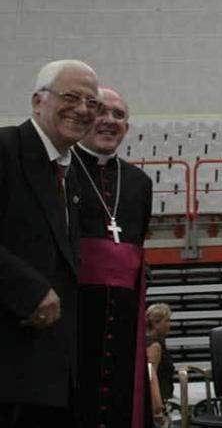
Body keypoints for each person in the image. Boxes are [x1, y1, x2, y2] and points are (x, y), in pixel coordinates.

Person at [0, 59, 100, 427]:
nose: (83, 109)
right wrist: (29, 290)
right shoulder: (6, 149)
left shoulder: (70, 172)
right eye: (71, 97)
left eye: (92, 102)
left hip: (53, 373)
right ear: (37, 102)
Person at [73, 87, 154, 428]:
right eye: (101, 111)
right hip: (76, 311)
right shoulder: (62, 170)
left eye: (119, 115)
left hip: (125, 311)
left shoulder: (139, 182)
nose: (109, 121)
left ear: (127, 127)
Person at [146, 303, 174, 428]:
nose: (170, 325)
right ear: (156, 323)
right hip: (158, 403)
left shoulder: (158, 342)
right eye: (167, 321)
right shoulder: (154, 346)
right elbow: (151, 377)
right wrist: (157, 409)